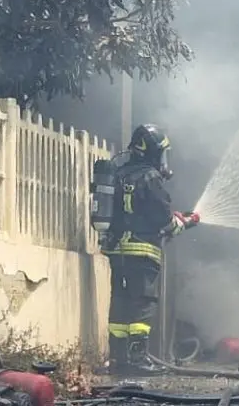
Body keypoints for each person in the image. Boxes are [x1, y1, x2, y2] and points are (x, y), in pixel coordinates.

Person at [102, 123, 194, 374]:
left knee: (120, 301)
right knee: (142, 302)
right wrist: (183, 223)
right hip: (143, 252)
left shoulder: (118, 174)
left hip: (117, 251)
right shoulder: (150, 177)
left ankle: (118, 359)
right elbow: (163, 220)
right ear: (154, 152)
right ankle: (138, 359)